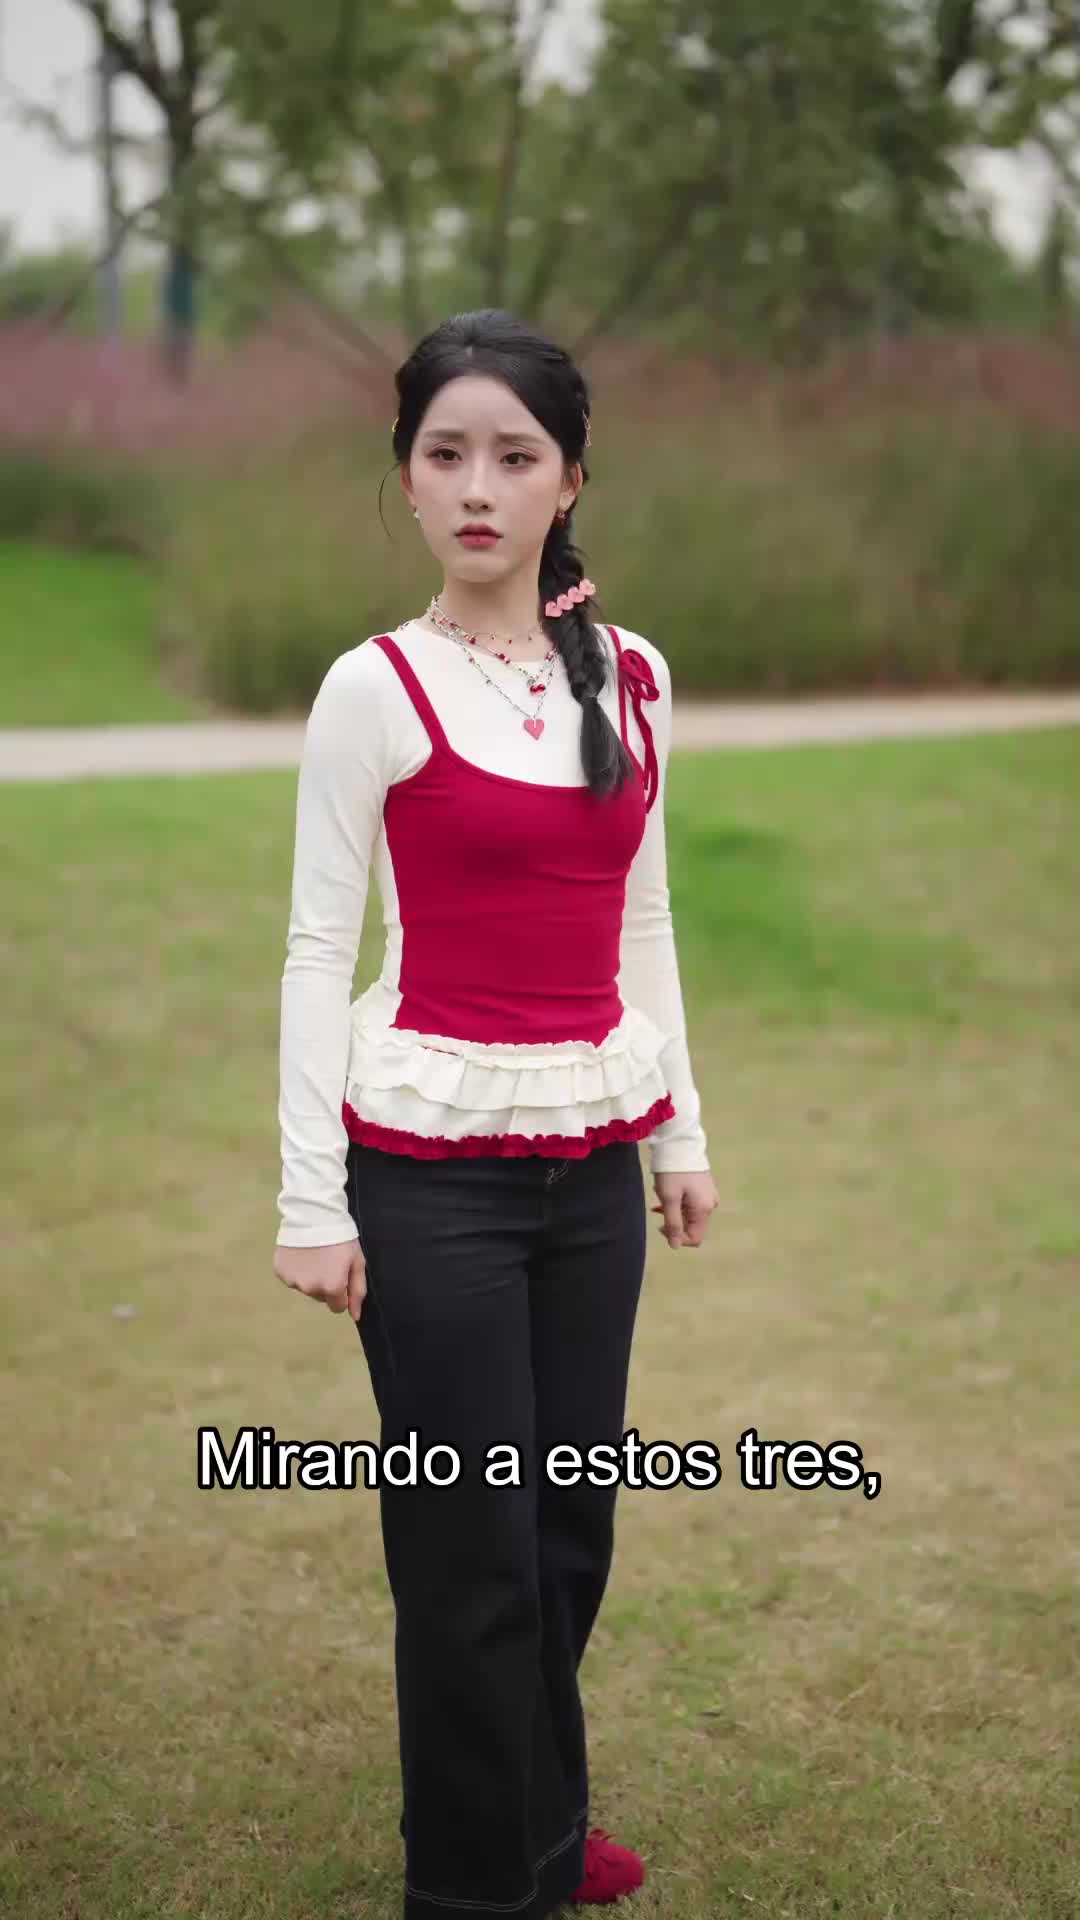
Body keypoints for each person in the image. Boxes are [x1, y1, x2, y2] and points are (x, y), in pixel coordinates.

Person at [272, 307, 720, 1919]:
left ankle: (539, 1819)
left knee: (568, 1531)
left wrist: (678, 1136)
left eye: (514, 456)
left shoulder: (635, 678)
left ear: (568, 479)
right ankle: (475, 1885)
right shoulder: (372, 688)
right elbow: (320, 948)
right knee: (471, 1554)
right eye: (445, 453)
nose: (478, 486)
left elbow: (642, 922)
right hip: (427, 1181)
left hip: (591, 1170)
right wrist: (310, 1202)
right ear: (404, 477)